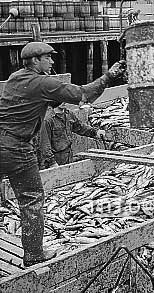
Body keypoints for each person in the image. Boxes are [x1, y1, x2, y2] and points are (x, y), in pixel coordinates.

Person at [0, 42, 126, 267]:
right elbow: (83, 95)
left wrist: (55, 94)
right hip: (18, 148)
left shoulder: (14, 79)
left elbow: (40, 99)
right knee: (32, 198)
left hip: (2, 141)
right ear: (36, 61)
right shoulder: (41, 82)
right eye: (48, 57)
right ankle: (34, 254)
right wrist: (109, 76)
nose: (53, 61)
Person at [38, 102, 106, 169]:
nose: (64, 102)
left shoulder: (69, 114)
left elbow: (80, 127)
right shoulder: (47, 120)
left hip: (68, 156)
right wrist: (52, 163)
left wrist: (95, 132)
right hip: (56, 159)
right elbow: (44, 145)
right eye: (60, 99)